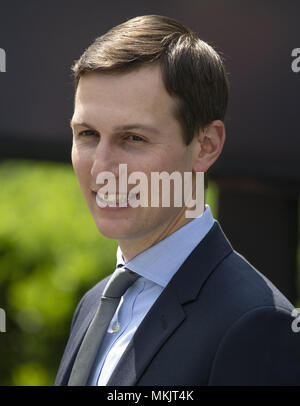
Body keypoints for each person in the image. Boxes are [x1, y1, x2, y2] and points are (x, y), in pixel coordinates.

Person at [55, 14, 300, 386]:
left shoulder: (257, 323)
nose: (101, 167)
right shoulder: (94, 304)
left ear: (206, 146)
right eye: (88, 134)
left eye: (133, 138)